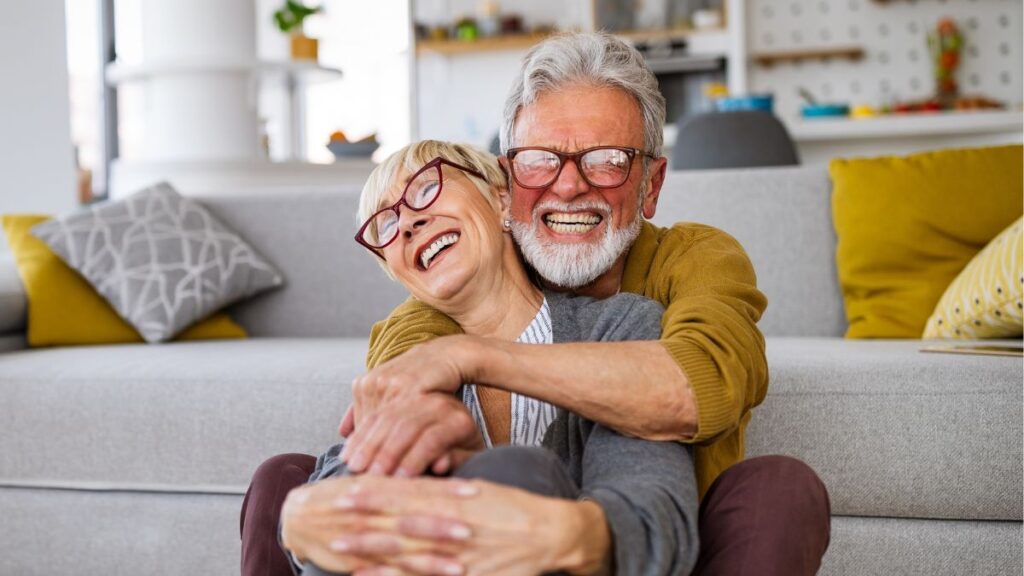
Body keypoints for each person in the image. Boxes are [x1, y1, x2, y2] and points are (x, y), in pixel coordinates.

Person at [242, 31, 830, 576]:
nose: (568, 185)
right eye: (540, 159)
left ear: (650, 185)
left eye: (606, 160)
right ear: (508, 182)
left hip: (654, 539)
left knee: (778, 487)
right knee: (283, 484)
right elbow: (391, 412)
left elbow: (696, 387)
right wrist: (313, 514)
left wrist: (474, 358)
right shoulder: (441, 300)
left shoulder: (678, 273)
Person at [280, 139, 699, 575]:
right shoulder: (410, 357)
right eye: (384, 224)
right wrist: (302, 518)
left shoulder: (619, 326)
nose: (406, 222)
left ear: (502, 199)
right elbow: (346, 469)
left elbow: (651, 513)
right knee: (284, 485)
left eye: (425, 190)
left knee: (515, 469)